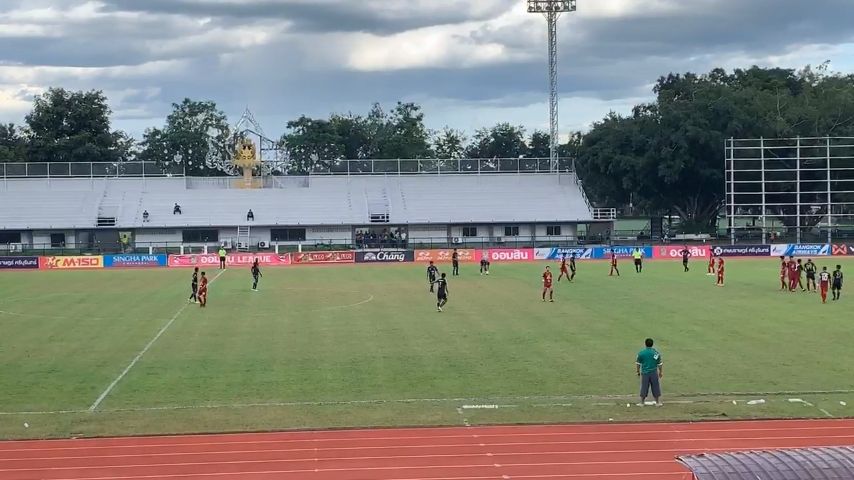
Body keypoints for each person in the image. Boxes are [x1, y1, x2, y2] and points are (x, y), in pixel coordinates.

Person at [636, 338, 663, 407]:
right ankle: (657, 402)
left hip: (645, 373)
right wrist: (660, 372)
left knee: (644, 387)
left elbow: (638, 363)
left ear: (645, 344)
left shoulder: (641, 353)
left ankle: (642, 403)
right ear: (652, 344)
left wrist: (638, 371)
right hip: (654, 372)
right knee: (655, 386)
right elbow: (659, 364)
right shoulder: (655, 353)